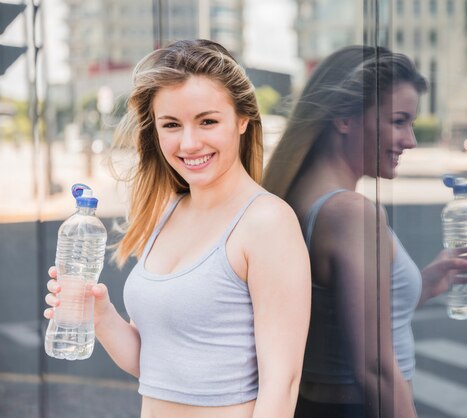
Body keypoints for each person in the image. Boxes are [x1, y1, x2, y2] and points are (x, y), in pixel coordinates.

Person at [44, 39, 311, 418]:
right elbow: (152, 365)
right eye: (171, 125)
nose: (189, 142)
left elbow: (281, 385)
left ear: (242, 119)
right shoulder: (167, 211)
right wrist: (100, 315)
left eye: (207, 121)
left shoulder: (266, 222)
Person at [263, 46, 467, 418]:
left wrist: (425, 283)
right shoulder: (350, 213)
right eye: (398, 121)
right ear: (344, 118)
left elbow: (339, 320)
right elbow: (375, 370)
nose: (410, 140)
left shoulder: (293, 197)